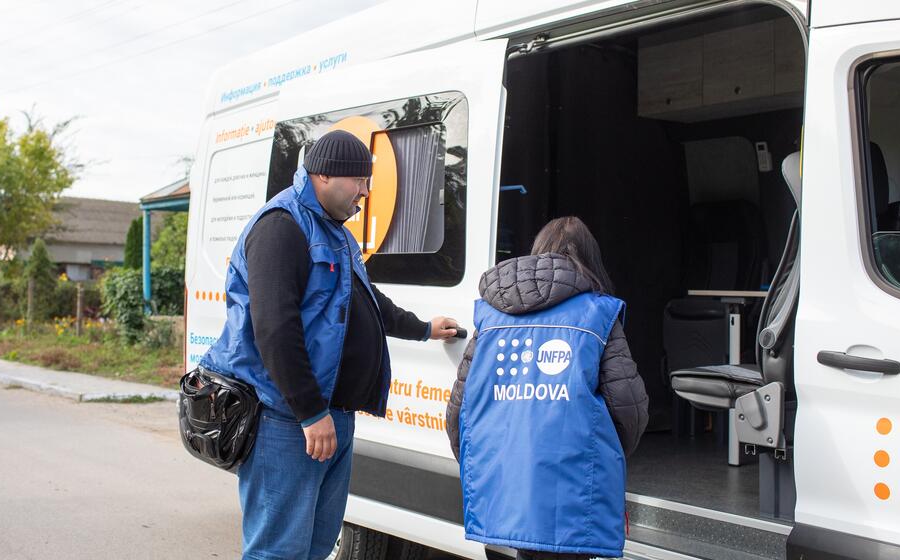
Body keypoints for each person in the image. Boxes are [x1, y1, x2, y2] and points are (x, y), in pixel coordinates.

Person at [199, 129, 459, 560]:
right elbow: (274, 329)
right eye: (358, 181)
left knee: (317, 547)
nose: (365, 191)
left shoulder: (335, 230)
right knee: (278, 550)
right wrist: (309, 411)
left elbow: (365, 301)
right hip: (286, 420)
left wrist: (423, 328)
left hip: (331, 417)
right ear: (322, 176)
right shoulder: (281, 228)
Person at [446, 216, 648, 560]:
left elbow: (458, 413)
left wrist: (486, 464)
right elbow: (630, 410)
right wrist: (599, 456)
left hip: (500, 494)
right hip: (568, 500)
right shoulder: (598, 313)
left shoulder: (491, 317)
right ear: (591, 259)